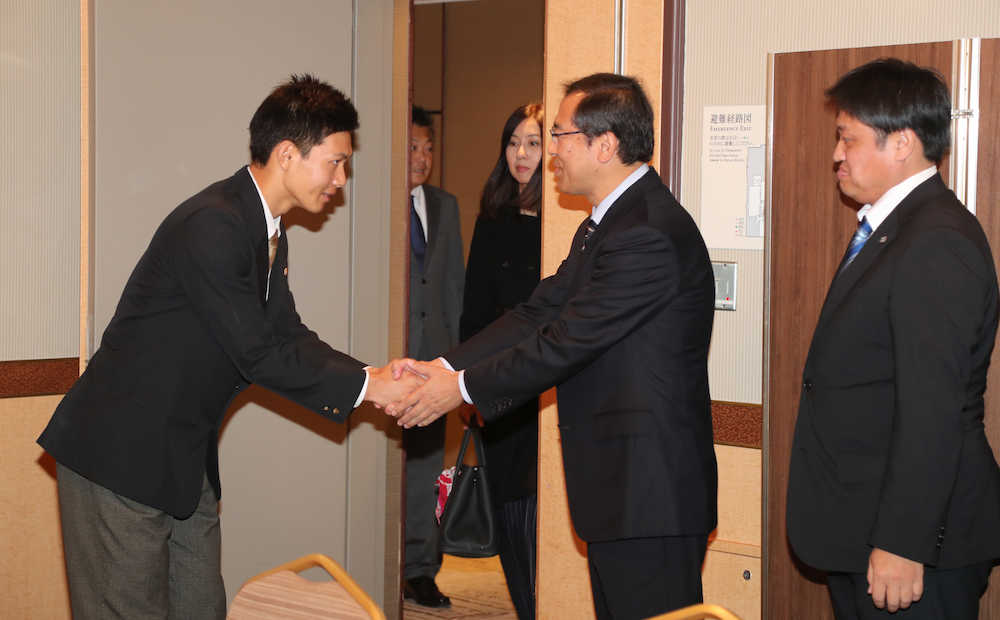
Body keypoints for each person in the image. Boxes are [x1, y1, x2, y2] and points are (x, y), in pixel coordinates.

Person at [37, 74, 419, 620]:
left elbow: (288, 335)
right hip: (118, 456)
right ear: (288, 154)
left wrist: (373, 375)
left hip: (182, 458)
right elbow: (257, 353)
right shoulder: (213, 224)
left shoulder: (267, 228)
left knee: (200, 606)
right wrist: (371, 388)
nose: (341, 178)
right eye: (335, 162)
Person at [389, 73, 718, 620]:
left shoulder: (645, 233)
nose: (551, 152)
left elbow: (563, 343)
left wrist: (460, 389)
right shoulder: (605, 225)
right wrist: (442, 367)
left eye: (560, 135)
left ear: (605, 145)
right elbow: (536, 314)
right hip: (623, 489)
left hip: (650, 493)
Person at [785, 58, 1000, 619]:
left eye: (847, 138)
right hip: (865, 524)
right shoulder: (894, 229)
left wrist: (904, 542)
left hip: (914, 543)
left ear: (901, 143)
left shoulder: (935, 241)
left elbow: (933, 408)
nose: (836, 153)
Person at [460, 102, 544, 620]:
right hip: (499, 386)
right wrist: (466, 386)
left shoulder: (568, 218)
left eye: (533, 143)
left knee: (540, 511)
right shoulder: (493, 215)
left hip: (548, 387)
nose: (520, 153)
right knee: (510, 508)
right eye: (513, 142)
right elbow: (472, 310)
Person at [402, 105, 465, 608]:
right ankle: (380, 558)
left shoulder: (445, 206)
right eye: (412, 147)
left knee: (425, 470)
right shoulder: (374, 200)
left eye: (428, 149)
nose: (421, 158)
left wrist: (456, 364)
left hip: (433, 362)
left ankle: (421, 569)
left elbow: (452, 288)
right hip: (385, 359)